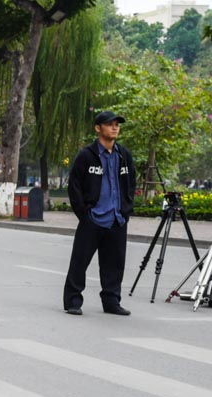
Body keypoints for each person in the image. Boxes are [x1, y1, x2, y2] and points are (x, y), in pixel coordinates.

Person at [64, 111, 136, 316]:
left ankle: (112, 302)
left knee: (114, 265)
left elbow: (131, 184)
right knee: (79, 262)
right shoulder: (86, 155)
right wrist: (84, 213)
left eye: (117, 125)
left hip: (117, 219)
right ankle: (73, 301)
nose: (115, 128)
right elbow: (74, 186)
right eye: (110, 124)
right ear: (98, 128)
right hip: (93, 218)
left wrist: (125, 209)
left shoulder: (124, 155)